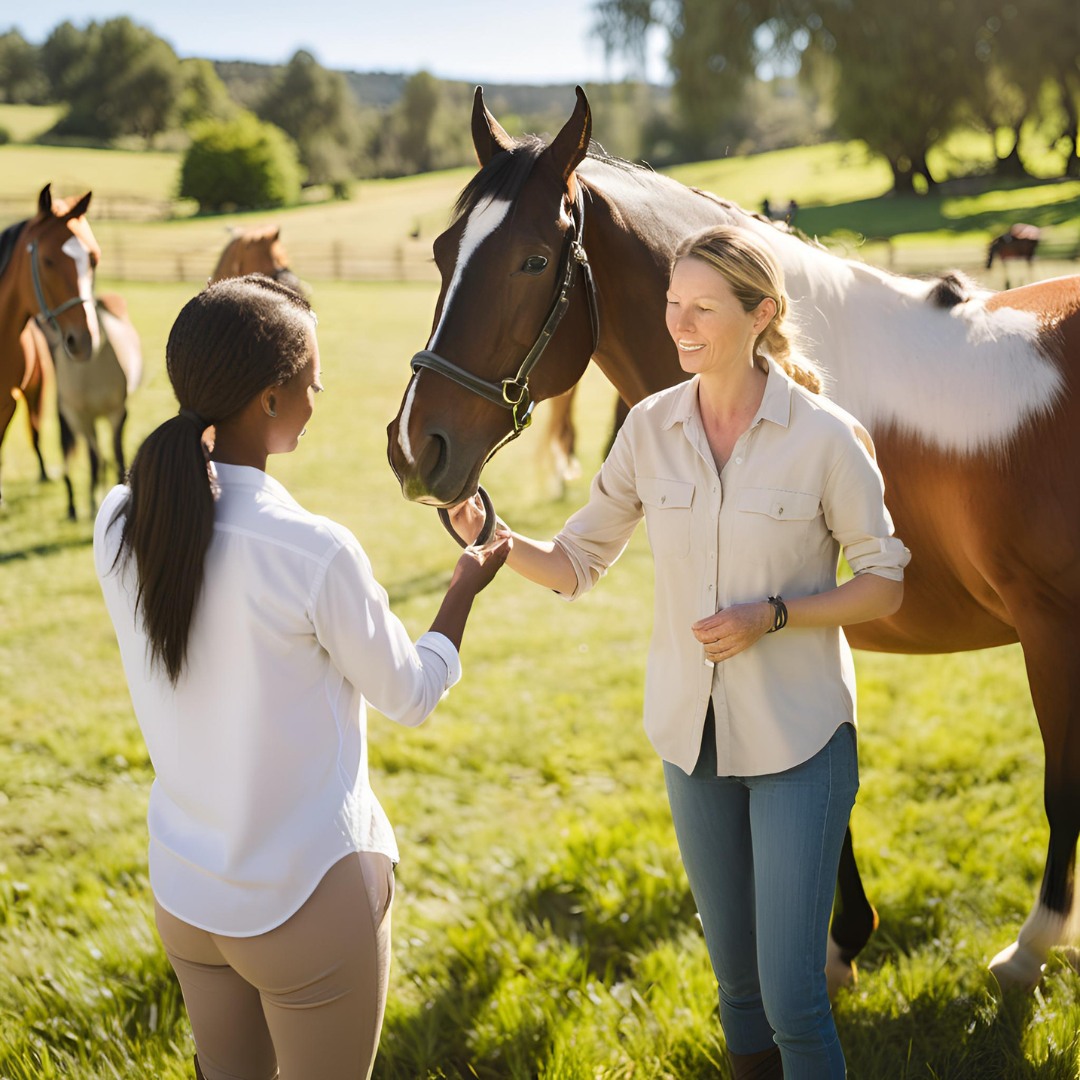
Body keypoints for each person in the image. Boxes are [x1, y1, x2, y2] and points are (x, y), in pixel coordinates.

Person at [450, 225, 909, 1078]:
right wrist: (498, 537)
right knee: (737, 993)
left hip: (800, 744)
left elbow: (884, 584)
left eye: (702, 308)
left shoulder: (827, 437)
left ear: (761, 313)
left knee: (794, 1002)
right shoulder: (649, 427)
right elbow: (580, 562)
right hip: (688, 743)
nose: (679, 324)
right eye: (672, 304)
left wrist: (774, 616)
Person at [94, 274, 510, 1080]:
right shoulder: (314, 551)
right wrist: (462, 592)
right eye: (311, 381)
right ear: (271, 402)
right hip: (306, 900)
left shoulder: (122, 517)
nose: (320, 393)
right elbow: (412, 695)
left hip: (187, 894)